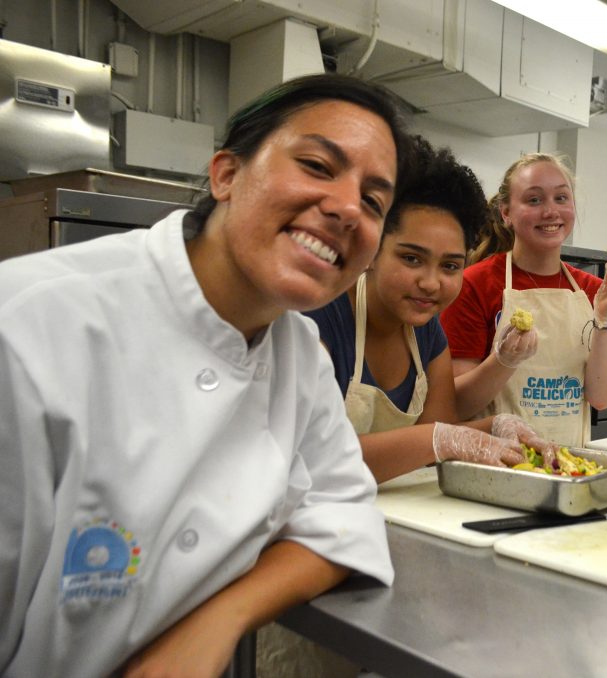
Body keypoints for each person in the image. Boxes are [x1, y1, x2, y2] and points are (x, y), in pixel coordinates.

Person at [0, 74, 409, 678]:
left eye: (374, 201)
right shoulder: (30, 326)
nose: (349, 207)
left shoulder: (299, 352)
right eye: (319, 165)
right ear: (226, 175)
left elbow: (344, 514)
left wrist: (217, 621)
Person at [304, 136, 549, 483]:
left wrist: (495, 426)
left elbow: (440, 431)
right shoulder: (317, 317)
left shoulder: (427, 333)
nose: (431, 283)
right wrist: (444, 439)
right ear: (371, 248)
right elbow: (314, 459)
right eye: (411, 259)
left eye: (450, 266)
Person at [441, 153, 607, 447]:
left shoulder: (593, 291)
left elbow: (602, 397)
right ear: (506, 212)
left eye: (561, 198)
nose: (551, 211)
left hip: (568, 465)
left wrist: (606, 320)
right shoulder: (474, 284)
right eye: (534, 200)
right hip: (495, 466)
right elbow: (457, 405)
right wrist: (503, 360)